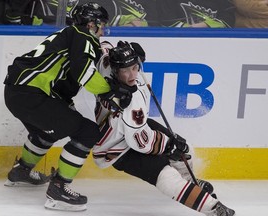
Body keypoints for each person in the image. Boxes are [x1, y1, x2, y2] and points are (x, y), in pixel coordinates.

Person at [3, 2, 130, 212]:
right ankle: (59, 189)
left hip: (15, 93)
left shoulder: (66, 34)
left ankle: (21, 171)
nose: (103, 30)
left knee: (47, 131)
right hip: (30, 94)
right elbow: (85, 74)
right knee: (87, 133)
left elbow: (64, 82)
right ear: (92, 23)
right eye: (102, 25)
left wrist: (66, 105)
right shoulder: (83, 36)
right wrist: (111, 90)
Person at [92, 41, 236, 215]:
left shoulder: (106, 63)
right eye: (125, 70)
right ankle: (213, 208)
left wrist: (120, 49)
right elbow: (142, 143)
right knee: (166, 174)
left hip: (126, 129)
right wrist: (169, 145)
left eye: (135, 67)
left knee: (185, 148)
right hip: (115, 148)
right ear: (116, 71)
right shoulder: (131, 104)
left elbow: (104, 47)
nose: (132, 75)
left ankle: (190, 182)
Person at [148, 0, 236, 27]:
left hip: (214, 46)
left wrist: (206, 25)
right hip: (177, 43)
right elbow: (166, 21)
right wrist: (190, 29)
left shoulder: (221, 2)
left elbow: (229, 19)